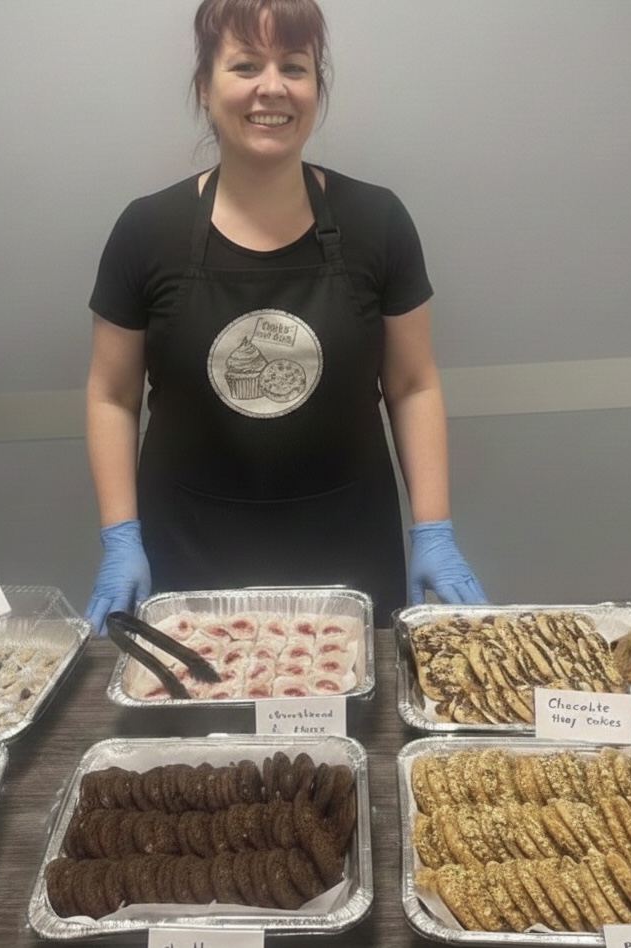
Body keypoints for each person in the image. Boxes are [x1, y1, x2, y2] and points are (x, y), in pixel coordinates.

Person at [84, 0, 486, 632]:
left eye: (293, 67)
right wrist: (120, 535)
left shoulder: (377, 222)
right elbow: (111, 394)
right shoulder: (146, 231)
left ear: (315, 88)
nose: (271, 87)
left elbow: (412, 385)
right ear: (204, 86)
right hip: (190, 557)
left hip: (348, 556)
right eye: (245, 64)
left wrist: (433, 528)